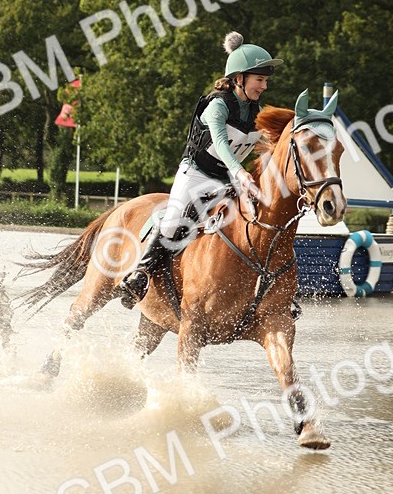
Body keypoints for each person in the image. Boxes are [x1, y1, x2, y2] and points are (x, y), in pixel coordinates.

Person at [119, 31, 282, 306]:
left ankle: (272, 288)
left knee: (258, 220)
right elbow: (220, 143)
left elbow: (271, 147)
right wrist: (240, 172)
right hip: (195, 174)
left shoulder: (257, 112)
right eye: (260, 80)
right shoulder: (217, 106)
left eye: (265, 80)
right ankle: (141, 273)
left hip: (226, 180)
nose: (264, 86)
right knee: (174, 221)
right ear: (239, 78)